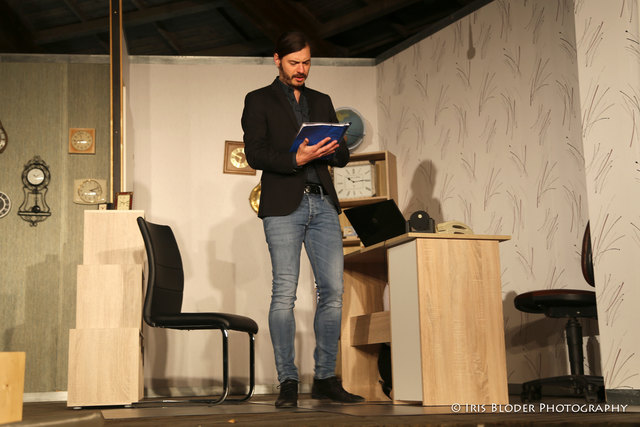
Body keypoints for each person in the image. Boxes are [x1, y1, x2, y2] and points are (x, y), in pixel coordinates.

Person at [241, 31, 364, 408]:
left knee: (333, 292)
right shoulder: (258, 99)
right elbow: (255, 153)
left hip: (323, 202)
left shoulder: (321, 100)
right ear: (277, 59)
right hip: (283, 204)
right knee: (284, 293)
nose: (301, 69)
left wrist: (333, 147)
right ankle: (288, 382)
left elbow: (342, 157)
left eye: (307, 63)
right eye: (294, 63)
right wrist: (296, 159)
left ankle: (325, 378)